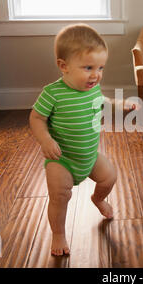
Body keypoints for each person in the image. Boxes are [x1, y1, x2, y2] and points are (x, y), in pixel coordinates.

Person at [29, 24, 134, 256]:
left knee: (110, 177)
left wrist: (121, 106)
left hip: (89, 156)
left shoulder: (92, 89)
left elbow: (104, 102)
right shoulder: (52, 93)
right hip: (62, 159)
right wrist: (45, 140)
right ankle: (58, 234)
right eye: (88, 67)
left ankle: (98, 199)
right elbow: (36, 118)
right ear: (63, 66)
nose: (96, 74)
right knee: (60, 196)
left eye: (100, 68)